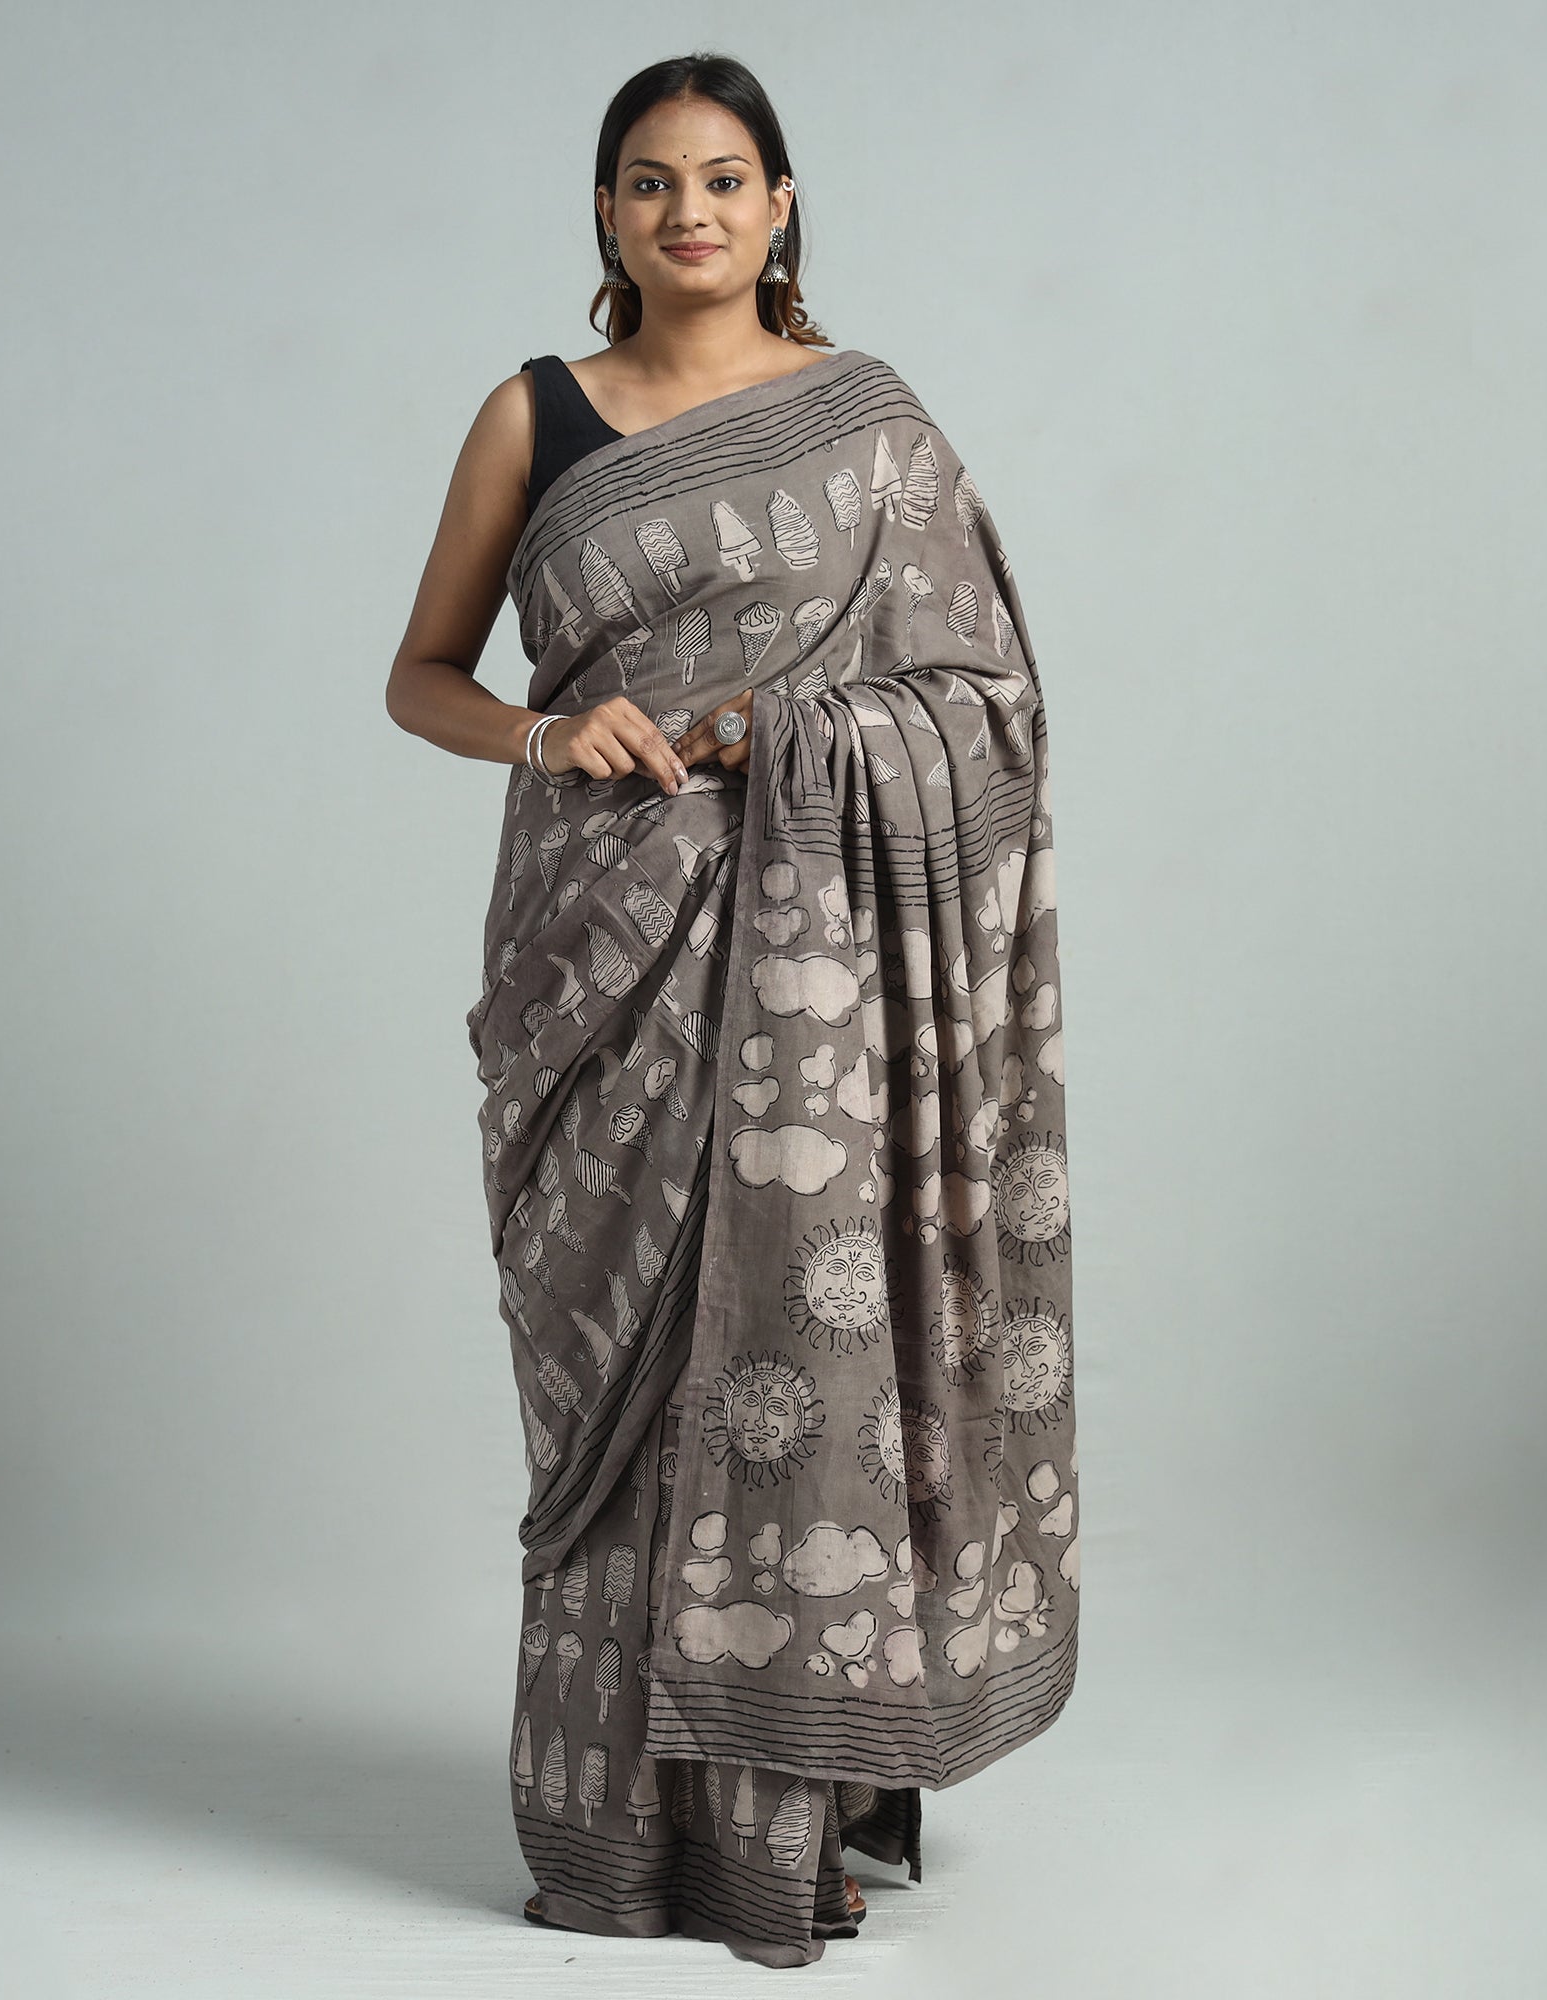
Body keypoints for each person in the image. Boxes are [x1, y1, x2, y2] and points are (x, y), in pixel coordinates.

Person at [384, 50, 1077, 1970]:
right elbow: (422, 675)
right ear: (605, 214)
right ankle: (619, 1836)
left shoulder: (875, 431)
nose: (686, 211)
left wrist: (799, 733)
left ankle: (779, 1824)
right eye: (647, 180)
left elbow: (992, 709)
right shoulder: (535, 415)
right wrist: (549, 732)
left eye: (721, 178)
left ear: (780, 208)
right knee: (614, 1393)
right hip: (596, 955)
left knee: (787, 1368)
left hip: (808, 981)